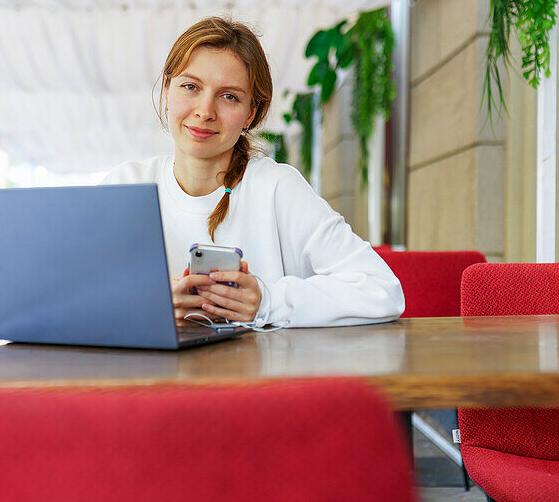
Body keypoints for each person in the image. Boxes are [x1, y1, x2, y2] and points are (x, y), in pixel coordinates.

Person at [103, 16, 404, 328]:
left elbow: (381, 289)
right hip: (154, 376)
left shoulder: (277, 188)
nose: (205, 111)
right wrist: (151, 305)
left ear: (252, 113)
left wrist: (267, 300)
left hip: (263, 374)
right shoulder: (126, 186)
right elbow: (73, 297)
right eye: (190, 87)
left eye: (229, 96)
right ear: (167, 91)